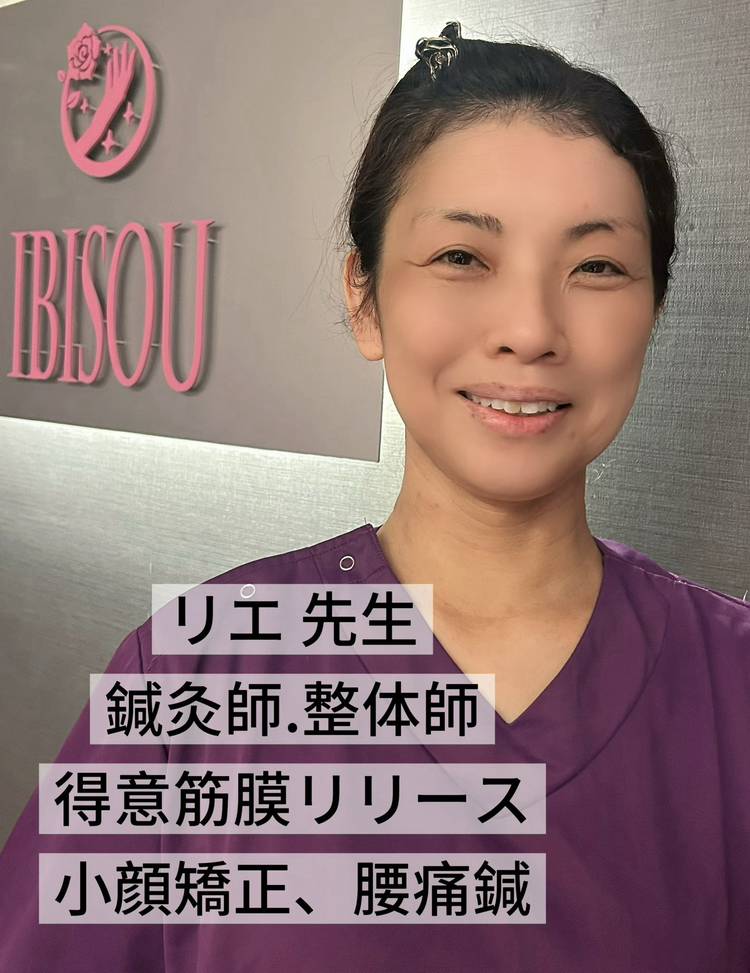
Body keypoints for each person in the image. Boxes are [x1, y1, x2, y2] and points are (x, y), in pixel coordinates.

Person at [1, 19, 749, 972]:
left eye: (597, 266)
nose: (529, 328)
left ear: (654, 308)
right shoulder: (197, 677)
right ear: (365, 298)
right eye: (462, 257)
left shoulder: (732, 684)